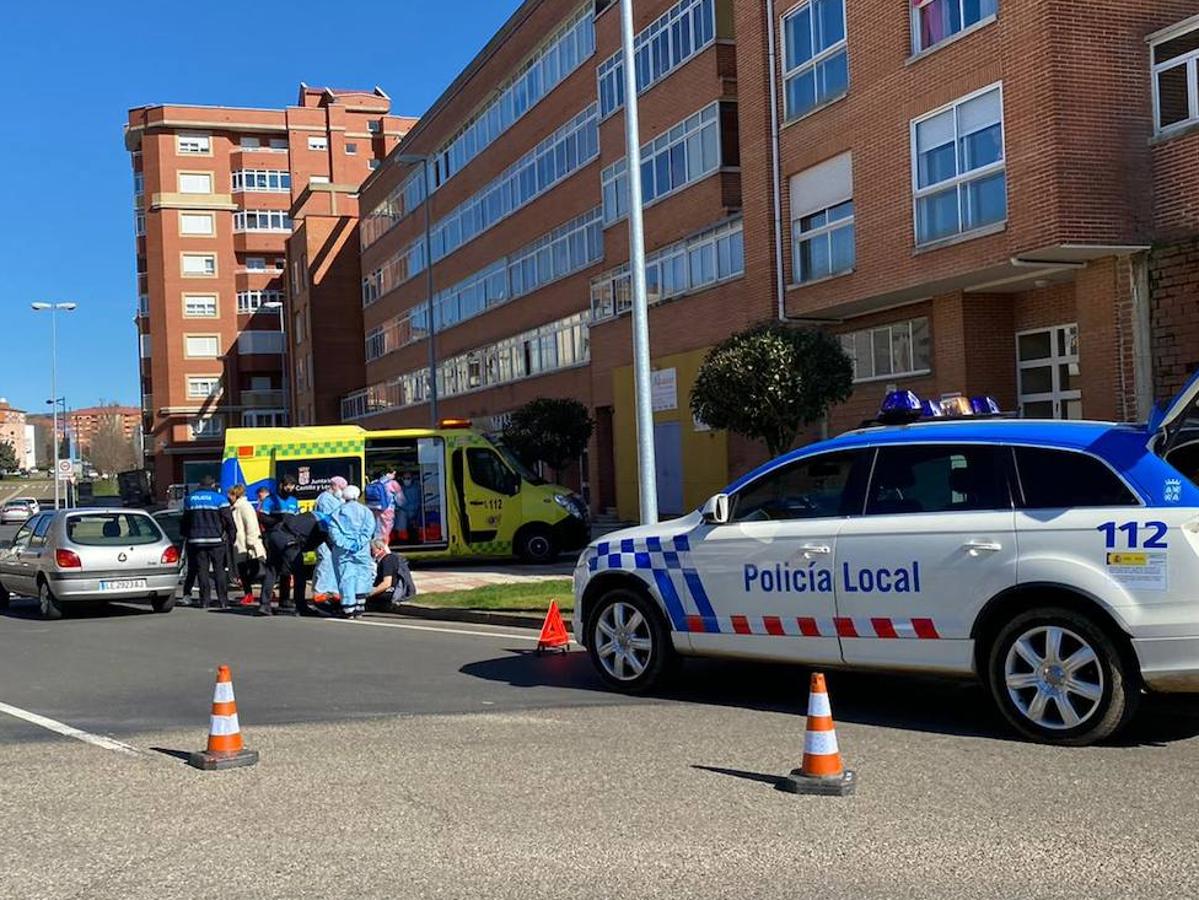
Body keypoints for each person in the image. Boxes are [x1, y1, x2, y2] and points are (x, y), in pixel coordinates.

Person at [257, 509, 325, 617]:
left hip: (274, 536)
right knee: (300, 572)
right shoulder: (325, 524)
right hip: (289, 540)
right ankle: (301, 606)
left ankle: (265, 605)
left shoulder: (312, 515)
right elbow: (325, 544)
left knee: (272, 571)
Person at [180, 475, 234, 610]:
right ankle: (223, 601)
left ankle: (204, 601)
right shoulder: (220, 499)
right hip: (216, 540)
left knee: (202, 571)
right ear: (213, 485)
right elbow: (228, 521)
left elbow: (185, 521)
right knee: (219, 571)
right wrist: (231, 537)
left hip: (196, 541)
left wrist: (186, 535)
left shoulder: (190, 499)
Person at [327, 485, 378, 618]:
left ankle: (348, 608)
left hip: (343, 551)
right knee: (362, 575)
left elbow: (334, 533)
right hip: (361, 550)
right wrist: (359, 543)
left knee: (346, 577)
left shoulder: (336, 513)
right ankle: (360, 605)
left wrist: (346, 544)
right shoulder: (366, 512)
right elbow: (369, 530)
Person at [228, 484, 266, 607]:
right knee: (244, 571)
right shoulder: (236, 507)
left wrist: (251, 542)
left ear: (236, 494)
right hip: (240, 544)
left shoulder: (244, 507)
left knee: (255, 570)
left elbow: (251, 525)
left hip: (247, 544)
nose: (228, 497)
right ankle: (249, 594)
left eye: (231, 494)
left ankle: (259, 593)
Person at [312, 476, 348, 602]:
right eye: (341, 488)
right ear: (334, 486)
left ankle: (331, 589)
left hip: (330, 535)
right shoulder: (325, 499)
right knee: (325, 560)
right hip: (323, 535)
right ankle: (320, 591)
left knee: (331, 561)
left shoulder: (333, 499)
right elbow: (332, 517)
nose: (342, 491)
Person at [366, 539, 417, 611]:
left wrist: (370, 593)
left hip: (391, 592)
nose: (370, 553)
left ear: (380, 549)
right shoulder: (390, 558)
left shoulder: (387, 560)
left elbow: (387, 583)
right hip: (393, 591)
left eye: (372, 550)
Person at [365, 470, 399, 541]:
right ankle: (382, 547)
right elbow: (400, 499)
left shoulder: (374, 482)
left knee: (376, 528)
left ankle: (376, 545)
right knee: (385, 530)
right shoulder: (393, 483)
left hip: (374, 508)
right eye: (393, 473)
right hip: (387, 509)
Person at [394, 471, 423, 543]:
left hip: (413, 512)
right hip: (405, 511)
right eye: (404, 478)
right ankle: (401, 537)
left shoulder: (416, 489)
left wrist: (403, 507)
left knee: (401, 514)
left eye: (408, 478)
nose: (406, 480)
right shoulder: (401, 489)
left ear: (412, 478)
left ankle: (402, 537)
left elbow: (416, 504)